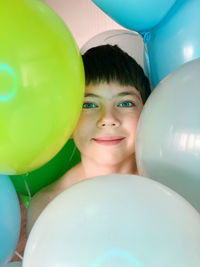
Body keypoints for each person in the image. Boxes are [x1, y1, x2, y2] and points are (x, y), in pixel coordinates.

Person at [26, 44, 151, 235]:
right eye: (89, 104)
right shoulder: (47, 206)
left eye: (125, 103)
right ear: (67, 120)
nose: (108, 119)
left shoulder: (171, 188)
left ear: (148, 112)